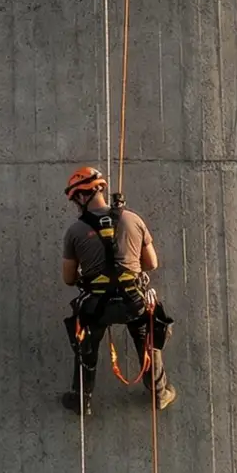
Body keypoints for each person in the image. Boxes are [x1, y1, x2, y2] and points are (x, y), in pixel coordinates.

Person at [60, 166, 176, 415]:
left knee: (86, 344)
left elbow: (68, 278)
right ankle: (159, 393)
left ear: (83, 195)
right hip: (132, 301)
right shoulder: (133, 219)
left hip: (96, 306)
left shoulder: (75, 231)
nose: (76, 205)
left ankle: (82, 399)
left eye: (75, 199)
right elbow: (152, 263)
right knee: (146, 336)